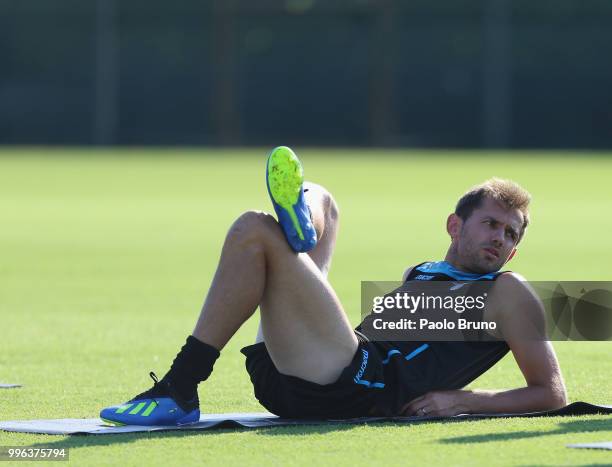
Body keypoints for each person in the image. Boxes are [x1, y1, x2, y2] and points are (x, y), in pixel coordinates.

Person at [100, 147, 567, 425]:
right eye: (490, 224)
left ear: (514, 251)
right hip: (303, 373)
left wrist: (461, 400)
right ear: (454, 226)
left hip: (357, 386)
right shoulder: (420, 273)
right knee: (322, 199)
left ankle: (180, 387)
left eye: (510, 234)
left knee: (255, 230)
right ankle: (303, 226)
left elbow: (551, 394)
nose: (498, 238)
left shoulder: (508, 291)